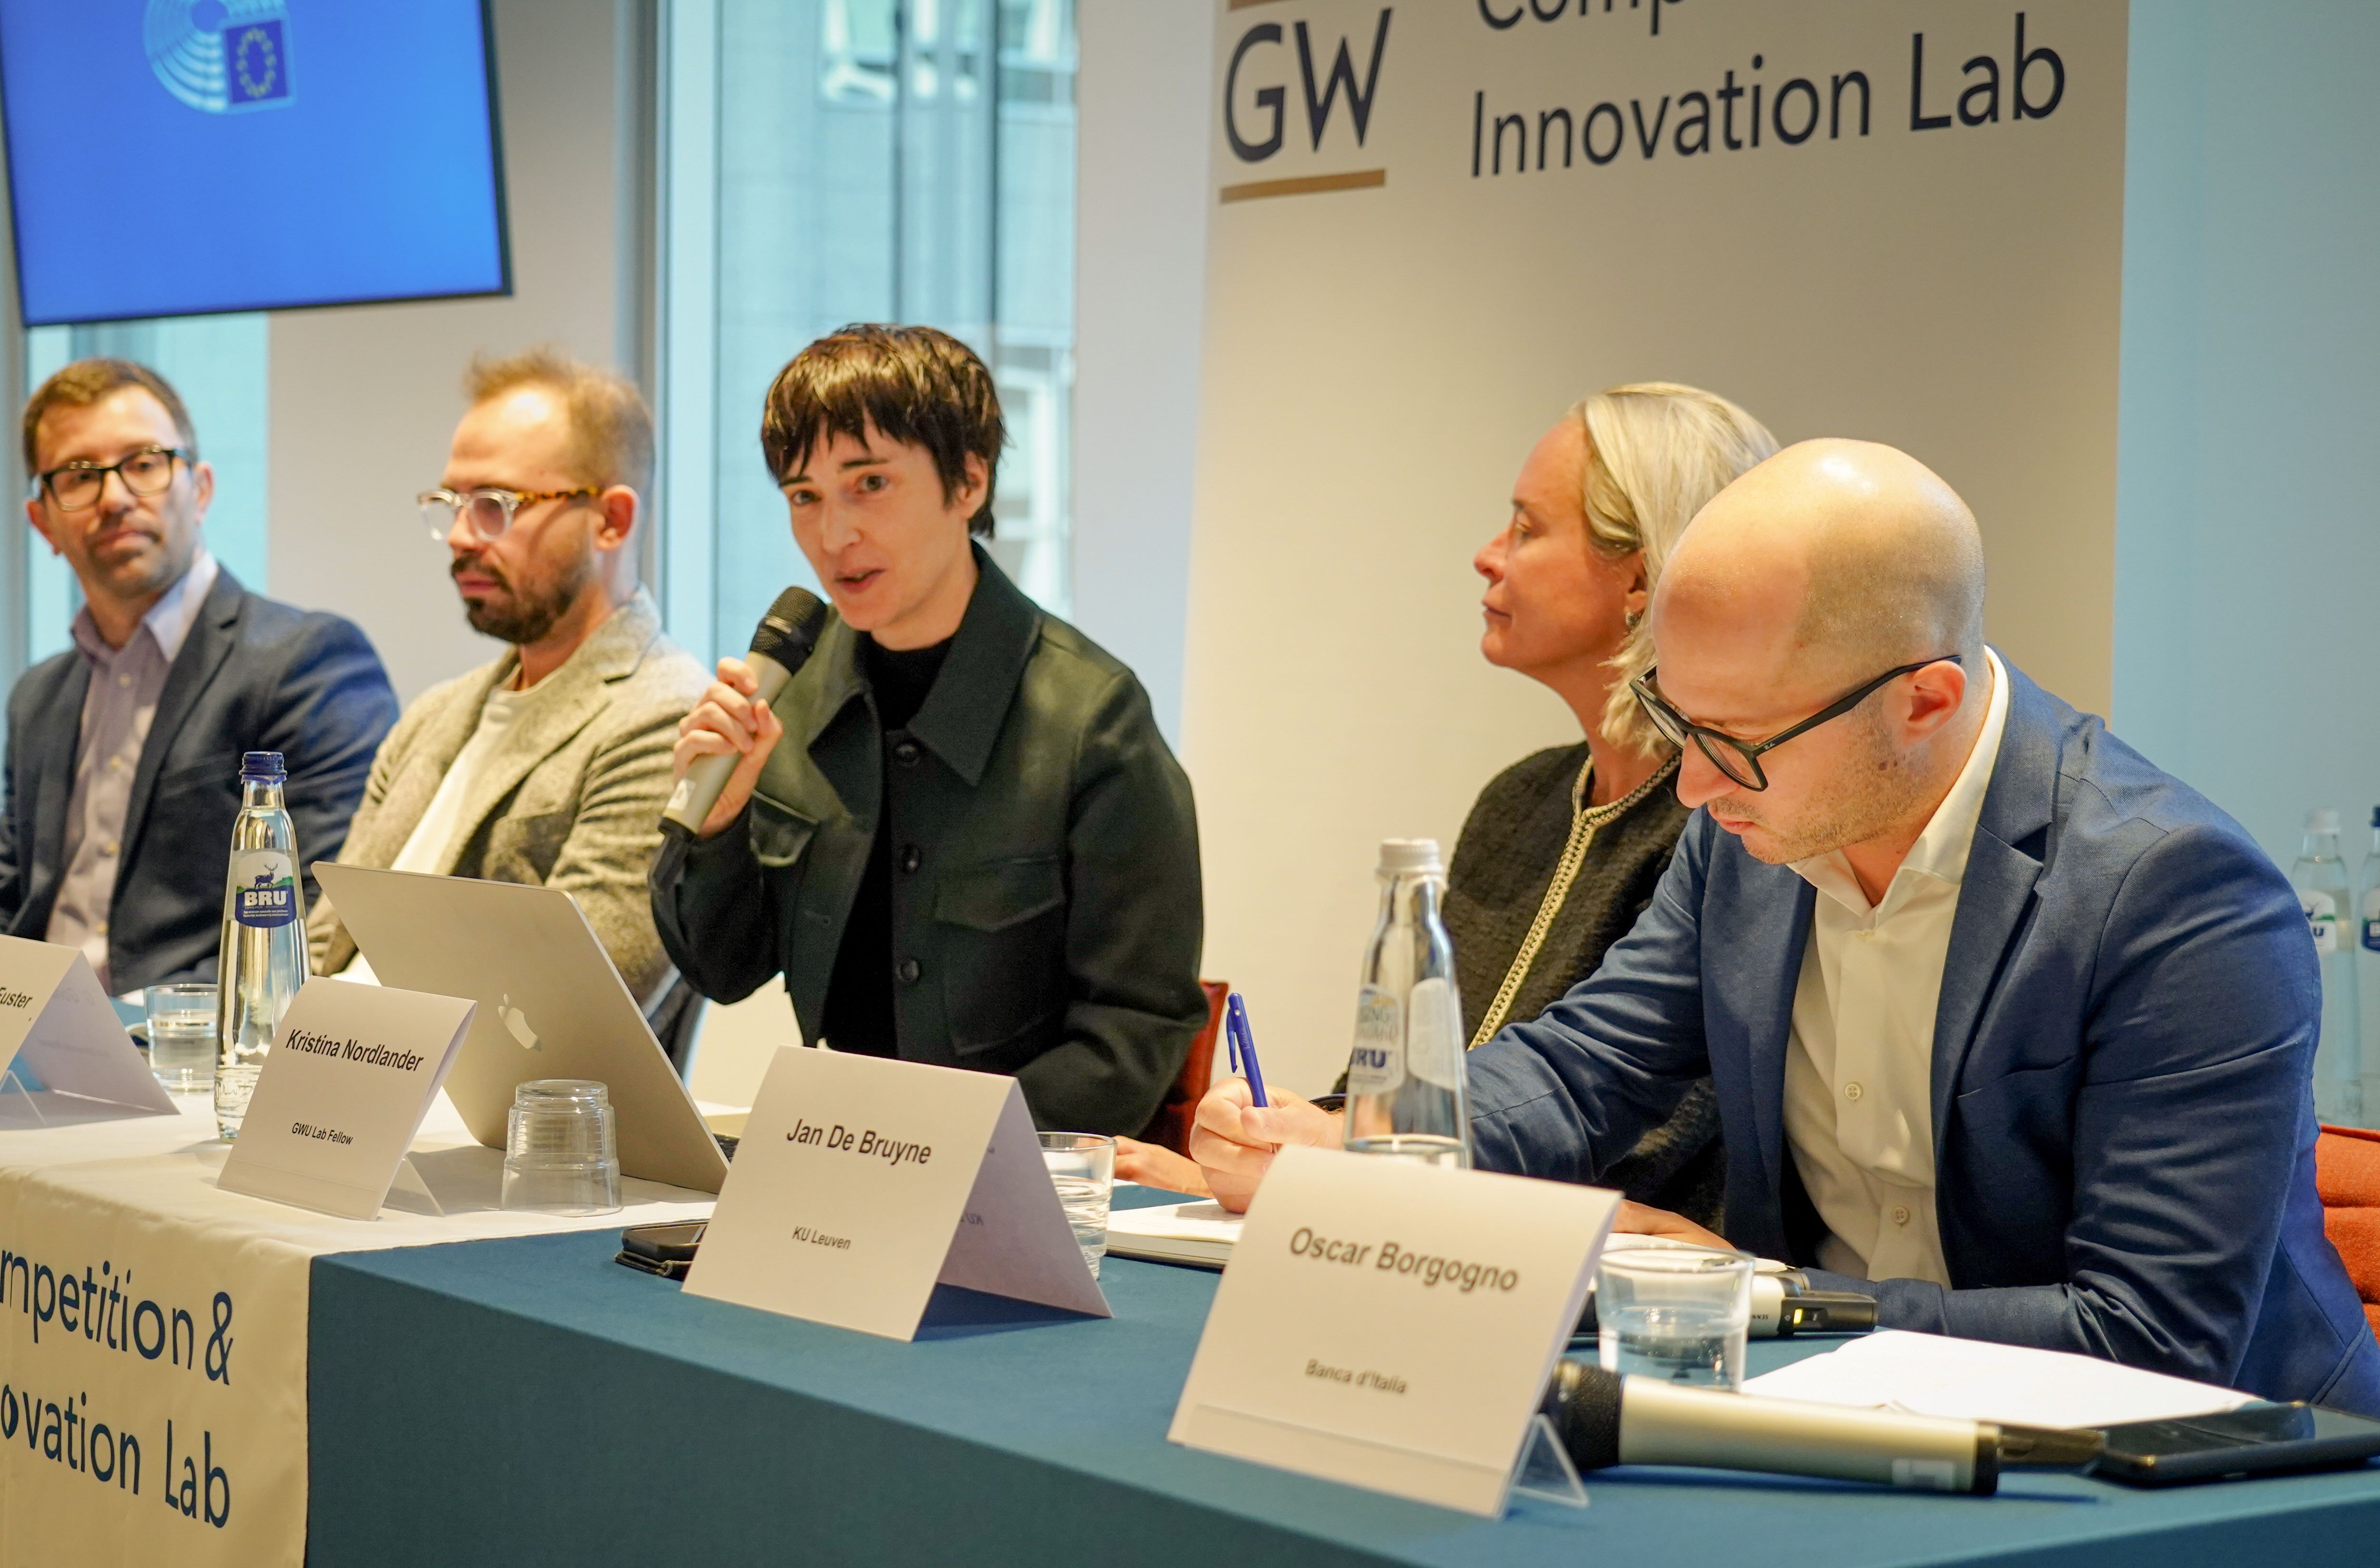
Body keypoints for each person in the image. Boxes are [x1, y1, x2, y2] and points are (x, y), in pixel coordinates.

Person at [1193, 439, 2380, 1408]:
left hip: (2221, 1482)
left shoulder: (2175, 897)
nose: (1695, 789)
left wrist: (1767, 1294)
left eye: (1739, 743)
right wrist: (1365, 1147)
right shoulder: (1748, 830)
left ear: (1925, 701)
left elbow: (2151, 1339)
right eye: (1676, 717)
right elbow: (1589, 1065)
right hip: (1830, 1413)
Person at [1116, 384, 1777, 1228]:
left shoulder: (1732, 825)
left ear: (1643, 576)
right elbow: (1394, 1095)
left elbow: (1648, 1160)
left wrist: (1322, 1174)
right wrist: (1275, 1144)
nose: (1487, 555)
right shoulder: (1523, 799)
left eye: (1528, 529)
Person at [650, 324, 1204, 1135]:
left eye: (869, 483)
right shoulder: (792, 701)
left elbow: (1135, 1033)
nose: (834, 536)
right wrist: (719, 823)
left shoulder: (1094, 719)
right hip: (834, 1155)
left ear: (969, 481)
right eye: (805, 496)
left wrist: (939, 1149)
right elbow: (722, 969)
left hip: (1017, 1185)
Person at [0, 359, 397, 996]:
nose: (115, 498)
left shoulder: (306, 663)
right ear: (43, 521)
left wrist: (124, 1026)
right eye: (80, 476)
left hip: (182, 1054)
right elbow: (2, 897)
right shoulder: (38, 698)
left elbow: (313, 920)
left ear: (202, 488)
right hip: (29, 1045)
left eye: (144, 463)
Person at [307, 349, 710, 1039]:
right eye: (452, 504)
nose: (462, 536)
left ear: (610, 520)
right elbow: (319, 951)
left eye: (496, 506)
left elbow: (569, 1011)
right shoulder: (435, 715)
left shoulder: (666, 715)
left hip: (481, 1124)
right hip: (333, 1075)